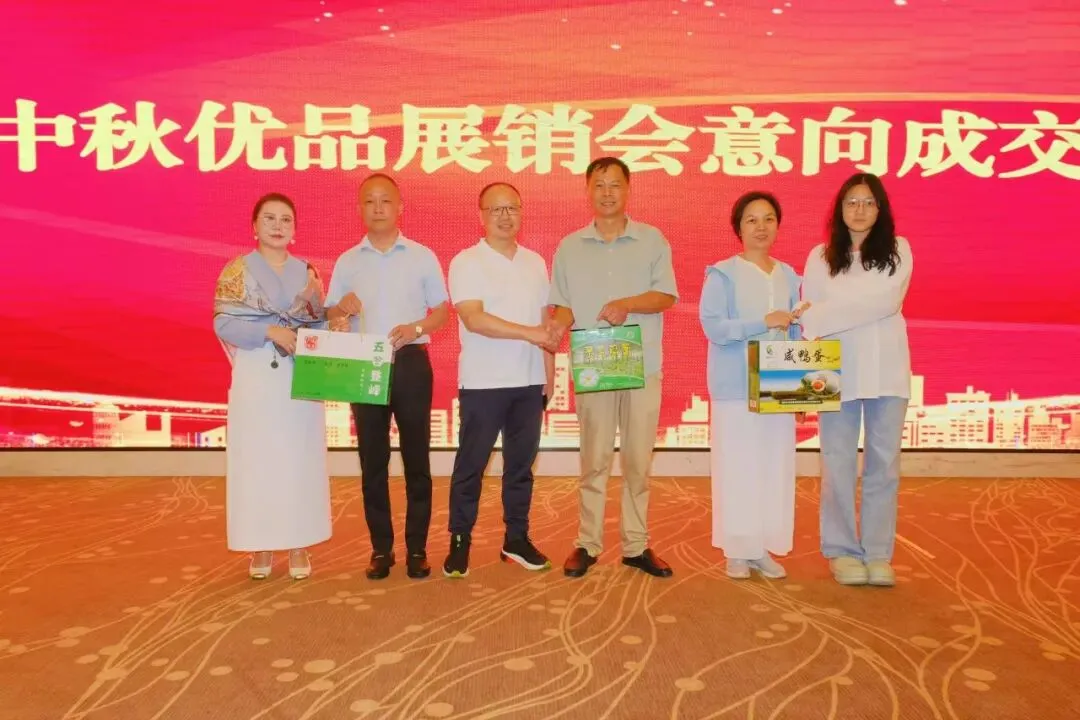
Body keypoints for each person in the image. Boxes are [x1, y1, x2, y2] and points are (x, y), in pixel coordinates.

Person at [548, 157, 679, 579]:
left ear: (628, 189)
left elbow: (666, 296)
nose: (607, 192)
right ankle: (587, 543)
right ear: (587, 190)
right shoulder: (569, 247)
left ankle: (636, 545)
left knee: (638, 460)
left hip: (641, 364)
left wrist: (627, 304)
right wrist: (554, 329)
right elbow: (563, 305)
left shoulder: (652, 240)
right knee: (595, 459)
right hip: (595, 365)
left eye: (615, 184)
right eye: (599, 185)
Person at [325, 174, 449, 581]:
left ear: (400, 207)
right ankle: (381, 549)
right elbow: (330, 312)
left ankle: (417, 548)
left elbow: (442, 312)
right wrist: (340, 307)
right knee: (372, 461)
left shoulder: (422, 256)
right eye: (369, 201)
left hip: (410, 360)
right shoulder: (348, 261)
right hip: (364, 363)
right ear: (360, 209)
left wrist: (416, 327)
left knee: (417, 459)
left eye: (385, 201)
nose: (378, 208)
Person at [799, 172, 914, 587]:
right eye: (852, 202)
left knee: (884, 466)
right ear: (839, 209)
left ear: (880, 209)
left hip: (887, 370)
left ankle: (879, 553)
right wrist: (832, 312)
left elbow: (888, 301)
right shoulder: (820, 256)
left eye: (868, 202)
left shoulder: (898, 249)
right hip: (834, 371)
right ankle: (842, 550)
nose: (859, 210)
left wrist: (830, 311)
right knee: (838, 464)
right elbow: (809, 314)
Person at [212, 192, 332, 581]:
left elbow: (318, 324)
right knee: (257, 460)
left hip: (300, 376)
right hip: (257, 375)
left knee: (299, 458)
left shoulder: (309, 274)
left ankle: (299, 543)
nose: (278, 226)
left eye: (285, 220)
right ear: (254, 226)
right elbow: (223, 323)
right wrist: (269, 331)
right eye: (269, 218)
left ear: (295, 229)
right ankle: (259, 545)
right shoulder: (237, 271)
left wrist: (335, 325)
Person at [442, 182, 556, 578]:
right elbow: (474, 319)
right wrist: (531, 335)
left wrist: (548, 369)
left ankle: (516, 539)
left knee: (520, 466)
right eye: (496, 209)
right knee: (471, 465)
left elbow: (545, 322)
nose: (506, 216)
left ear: (522, 212)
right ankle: (460, 540)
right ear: (482, 215)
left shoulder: (535, 262)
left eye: (513, 208)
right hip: (483, 382)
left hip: (529, 381)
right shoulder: (467, 261)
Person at [698, 191, 804, 580]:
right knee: (738, 466)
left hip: (780, 383)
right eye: (751, 219)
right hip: (735, 385)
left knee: (774, 465)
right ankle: (738, 549)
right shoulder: (722, 274)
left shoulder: (789, 275)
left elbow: (795, 332)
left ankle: (763, 546)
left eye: (769, 219)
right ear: (738, 227)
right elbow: (714, 327)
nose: (761, 227)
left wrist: (802, 391)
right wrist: (763, 321)